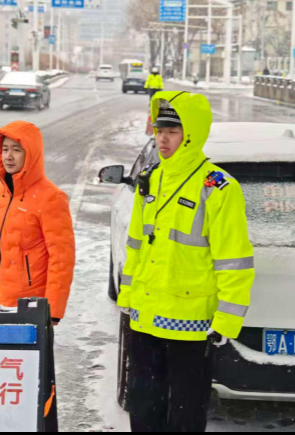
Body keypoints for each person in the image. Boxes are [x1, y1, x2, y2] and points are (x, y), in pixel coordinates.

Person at [117, 91, 255, 432]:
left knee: (186, 407)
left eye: (172, 131)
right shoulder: (151, 179)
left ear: (191, 133)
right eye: (159, 130)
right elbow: (135, 246)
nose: (162, 139)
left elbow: (234, 260)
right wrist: (127, 297)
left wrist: (226, 319)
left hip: (189, 322)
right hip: (145, 316)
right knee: (144, 402)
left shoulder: (218, 188)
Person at [0, 121, 76, 432]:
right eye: (5, 149)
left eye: (17, 150)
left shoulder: (51, 198)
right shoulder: (0, 190)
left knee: (32, 385)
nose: (8, 156)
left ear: (31, 154)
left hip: (30, 310)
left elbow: (62, 258)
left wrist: (53, 311)